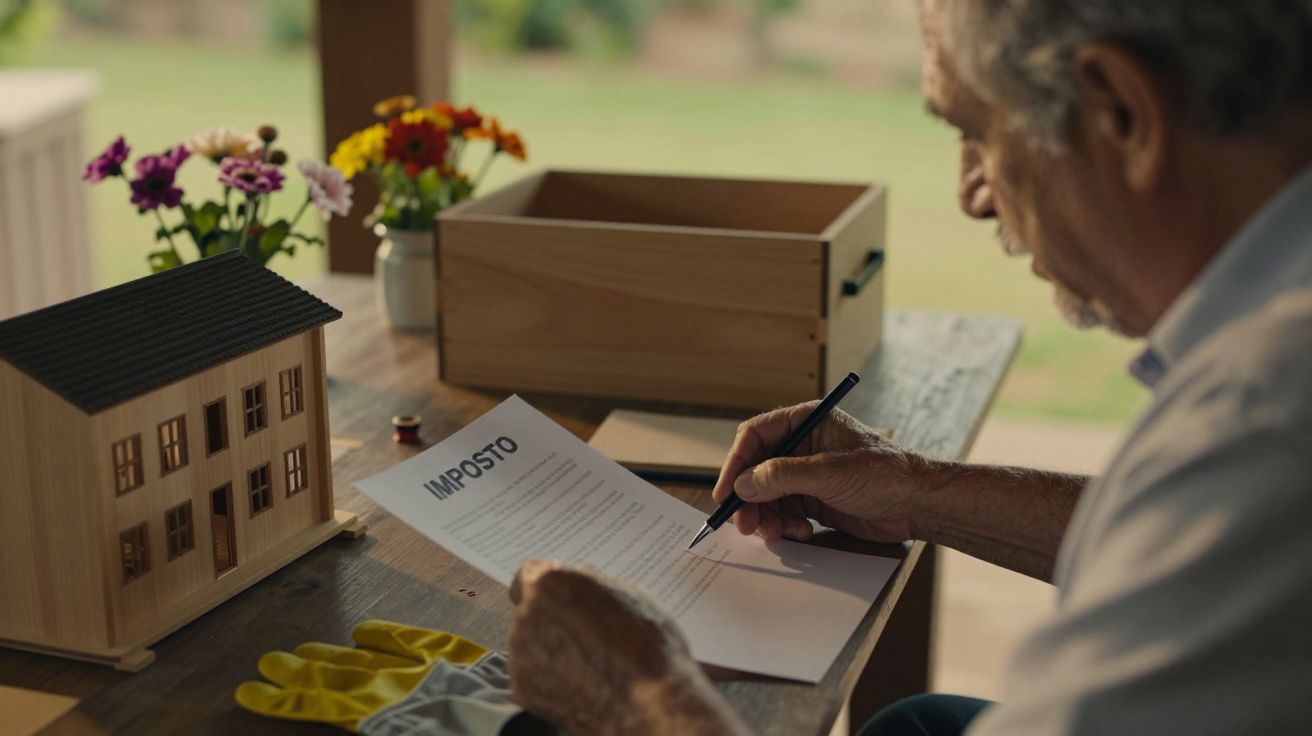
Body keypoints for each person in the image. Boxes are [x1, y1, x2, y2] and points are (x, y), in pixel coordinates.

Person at [507, 0, 1312, 733]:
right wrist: (916, 488)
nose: (972, 194)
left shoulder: (1265, 414)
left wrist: (642, 700)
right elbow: (1184, 533)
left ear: (1121, 112)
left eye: (978, 130)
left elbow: (1233, 495)